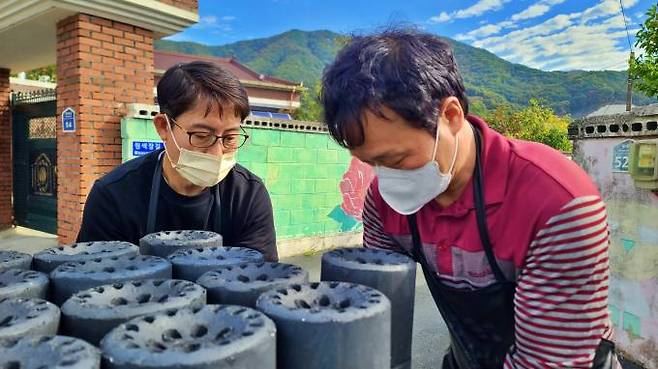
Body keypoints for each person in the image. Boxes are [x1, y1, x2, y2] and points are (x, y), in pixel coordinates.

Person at [321, 29, 617, 369]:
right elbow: (377, 310)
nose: (384, 179)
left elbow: (548, 361)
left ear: (450, 115)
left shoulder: (558, 202)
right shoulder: (382, 201)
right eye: (372, 163)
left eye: (396, 160)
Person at [77, 61, 278, 261]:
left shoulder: (248, 195)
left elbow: (258, 279)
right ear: (163, 127)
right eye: (201, 135)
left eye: (230, 138)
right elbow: (95, 279)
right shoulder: (113, 196)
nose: (217, 153)